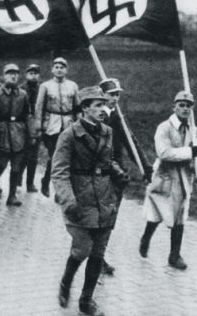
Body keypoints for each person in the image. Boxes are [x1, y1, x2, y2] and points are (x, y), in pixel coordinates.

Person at [52, 86, 127, 315]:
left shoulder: (107, 131)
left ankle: (86, 300)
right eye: (97, 105)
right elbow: (59, 171)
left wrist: (117, 172)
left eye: (104, 105)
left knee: (98, 253)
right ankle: (66, 282)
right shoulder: (69, 135)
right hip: (79, 200)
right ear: (85, 109)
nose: (103, 109)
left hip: (104, 199)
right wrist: (68, 200)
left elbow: (107, 160)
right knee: (82, 250)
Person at [139, 91, 197, 270]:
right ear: (174, 107)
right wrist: (189, 152)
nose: (185, 109)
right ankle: (146, 238)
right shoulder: (165, 127)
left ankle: (174, 255)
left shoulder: (194, 130)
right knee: (157, 213)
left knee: (180, 217)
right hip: (165, 176)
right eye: (182, 105)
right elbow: (163, 152)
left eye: (188, 106)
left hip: (184, 177)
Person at [98, 77, 153, 276]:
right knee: (99, 218)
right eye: (111, 94)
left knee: (109, 219)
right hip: (100, 174)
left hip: (117, 175)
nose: (115, 98)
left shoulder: (118, 117)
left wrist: (145, 168)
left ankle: (98, 255)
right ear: (102, 95)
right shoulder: (97, 117)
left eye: (117, 94)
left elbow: (132, 143)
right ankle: (92, 255)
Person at [0, 63, 33, 206]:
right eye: (10, 73)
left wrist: (30, 134)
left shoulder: (23, 94)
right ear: (4, 75)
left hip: (18, 133)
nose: (13, 76)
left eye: (16, 73)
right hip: (2, 133)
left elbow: (27, 115)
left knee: (16, 166)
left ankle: (12, 195)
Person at [35, 57, 80, 197]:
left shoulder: (73, 85)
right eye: (57, 67)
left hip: (68, 124)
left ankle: (59, 192)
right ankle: (46, 181)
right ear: (52, 69)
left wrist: (79, 124)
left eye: (62, 67)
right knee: (55, 157)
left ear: (66, 70)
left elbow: (77, 106)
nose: (59, 69)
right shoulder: (46, 86)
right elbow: (39, 107)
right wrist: (38, 126)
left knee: (66, 158)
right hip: (51, 125)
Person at [19, 64, 41, 192]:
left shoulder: (41, 89)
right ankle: (18, 178)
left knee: (34, 156)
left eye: (36, 73)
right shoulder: (21, 89)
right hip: (23, 124)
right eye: (30, 73)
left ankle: (30, 183)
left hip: (36, 124)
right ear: (26, 75)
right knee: (22, 154)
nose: (33, 75)